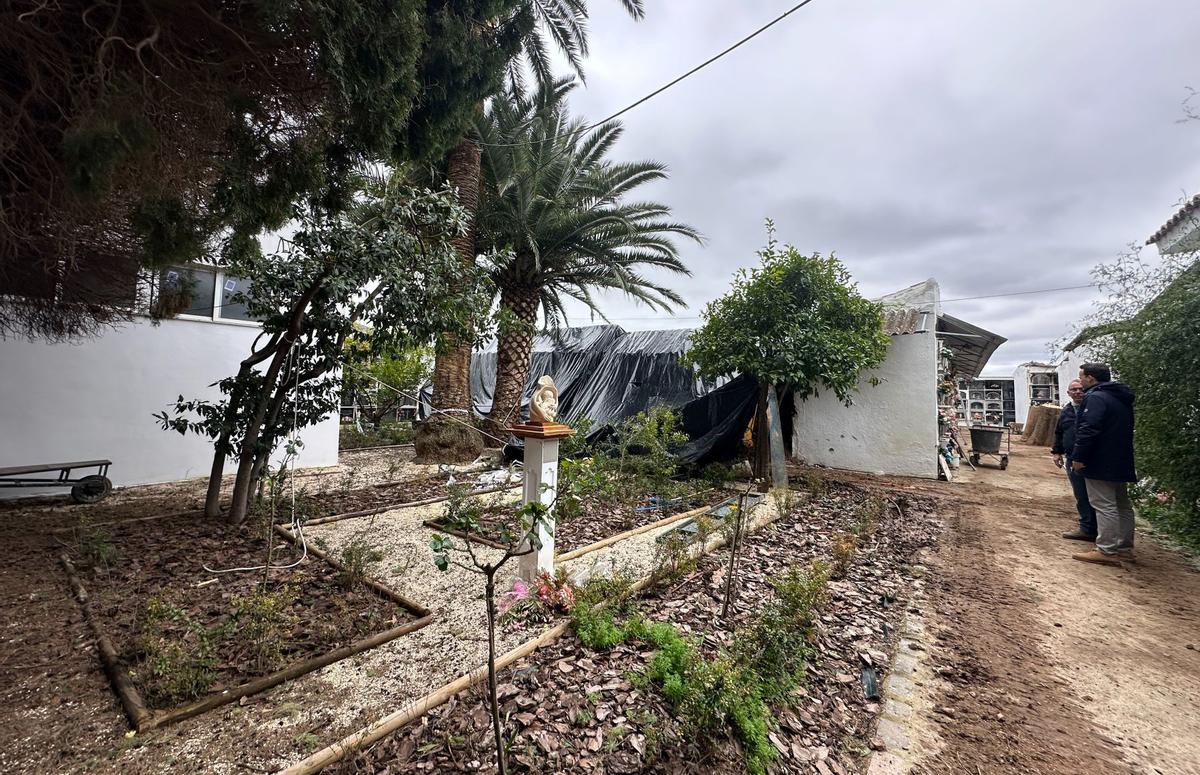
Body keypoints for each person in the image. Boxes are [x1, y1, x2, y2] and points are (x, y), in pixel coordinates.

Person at [1070, 362, 1136, 566]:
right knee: (1122, 505)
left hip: (1100, 459)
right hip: (1120, 458)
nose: (1080, 381)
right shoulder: (1120, 397)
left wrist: (1079, 456)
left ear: (1091, 378)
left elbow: (1089, 428)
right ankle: (1124, 548)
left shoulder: (1096, 397)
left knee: (1104, 504)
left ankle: (1106, 550)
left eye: (1082, 377)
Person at [1051, 380, 1097, 541]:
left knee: (1096, 495)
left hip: (1091, 458)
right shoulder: (1067, 410)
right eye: (1074, 390)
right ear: (1068, 393)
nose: (1078, 392)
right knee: (1081, 494)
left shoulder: (1092, 408)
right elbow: (1059, 432)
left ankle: (1101, 531)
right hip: (1072, 458)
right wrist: (1057, 452)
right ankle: (1088, 528)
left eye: (1080, 389)